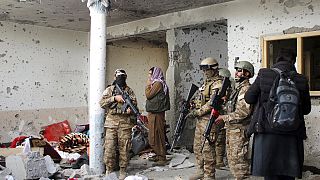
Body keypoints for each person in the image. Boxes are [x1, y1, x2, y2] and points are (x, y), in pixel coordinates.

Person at [244, 49, 311, 180]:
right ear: (293, 61)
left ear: (276, 60)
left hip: (266, 131)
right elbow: (306, 109)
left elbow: (249, 98)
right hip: (292, 133)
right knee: (288, 174)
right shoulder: (301, 79)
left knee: (270, 173)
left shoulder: (264, 74)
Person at [215, 61, 254, 180]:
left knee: (239, 164)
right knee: (233, 162)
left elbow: (243, 112)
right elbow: (232, 108)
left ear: (246, 73)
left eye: (239, 71)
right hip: (232, 129)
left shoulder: (246, 89)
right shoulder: (237, 89)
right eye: (236, 70)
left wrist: (224, 117)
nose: (236, 73)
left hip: (239, 130)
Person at [187, 57, 223, 180]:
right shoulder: (206, 82)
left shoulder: (218, 84)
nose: (204, 72)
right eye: (202, 69)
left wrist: (197, 112)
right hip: (201, 120)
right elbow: (201, 99)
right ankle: (200, 170)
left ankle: (209, 175)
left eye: (206, 69)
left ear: (214, 69)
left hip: (210, 120)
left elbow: (212, 103)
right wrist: (192, 105)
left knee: (208, 149)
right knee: (197, 147)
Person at [99, 69, 137, 180]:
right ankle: (109, 170)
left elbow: (134, 104)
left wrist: (131, 110)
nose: (121, 79)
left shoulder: (129, 91)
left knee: (124, 149)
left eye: (123, 77)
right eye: (119, 76)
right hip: (111, 123)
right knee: (109, 148)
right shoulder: (109, 90)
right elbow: (101, 103)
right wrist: (114, 98)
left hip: (125, 124)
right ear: (115, 77)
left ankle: (123, 170)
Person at [145, 67, 170, 166]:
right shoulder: (156, 83)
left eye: (150, 74)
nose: (149, 76)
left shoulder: (158, 84)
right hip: (154, 113)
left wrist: (147, 86)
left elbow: (148, 95)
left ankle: (162, 157)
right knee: (153, 135)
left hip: (157, 114)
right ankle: (158, 154)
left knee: (157, 135)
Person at [214, 68, 232, 168]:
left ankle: (226, 161)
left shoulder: (231, 89)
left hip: (227, 116)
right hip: (220, 116)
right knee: (219, 139)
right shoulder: (219, 87)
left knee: (225, 140)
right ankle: (219, 161)